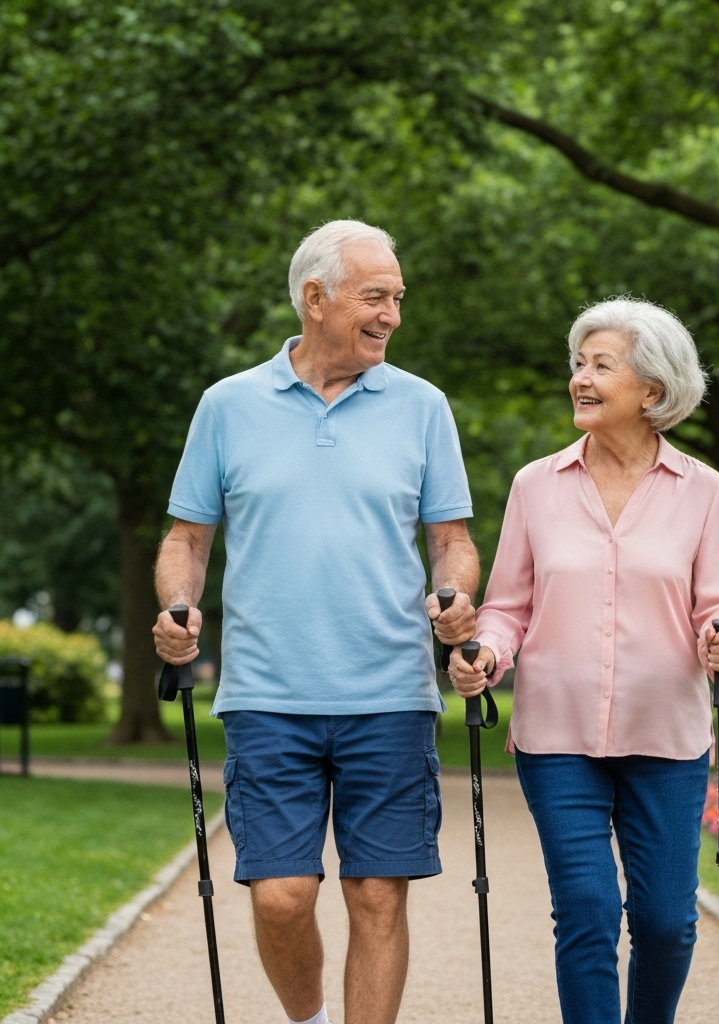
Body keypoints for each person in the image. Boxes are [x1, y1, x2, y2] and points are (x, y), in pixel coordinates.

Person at [152, 220, 478, 1024]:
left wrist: (456, 598)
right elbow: (186, 539)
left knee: (377, 895)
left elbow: (453, 542)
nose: (392, 315)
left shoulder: (423, 406)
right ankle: (310, 1019)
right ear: (315, 298)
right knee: (281, 898)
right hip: (267, 693)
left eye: (398, 298)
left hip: (391, 693)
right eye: (376, 297)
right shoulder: (227, 406)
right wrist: (176, 608)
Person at [449, 296, 719, 1024]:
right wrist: (486, 652)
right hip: (557, 738)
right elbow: (507, 607)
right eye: (577, 365)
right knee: (586, 914)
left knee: (665, 924)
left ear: (652, 390)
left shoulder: (704, 491)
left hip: (667, 738)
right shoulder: (535, 485)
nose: (580, 379)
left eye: (601, 366)